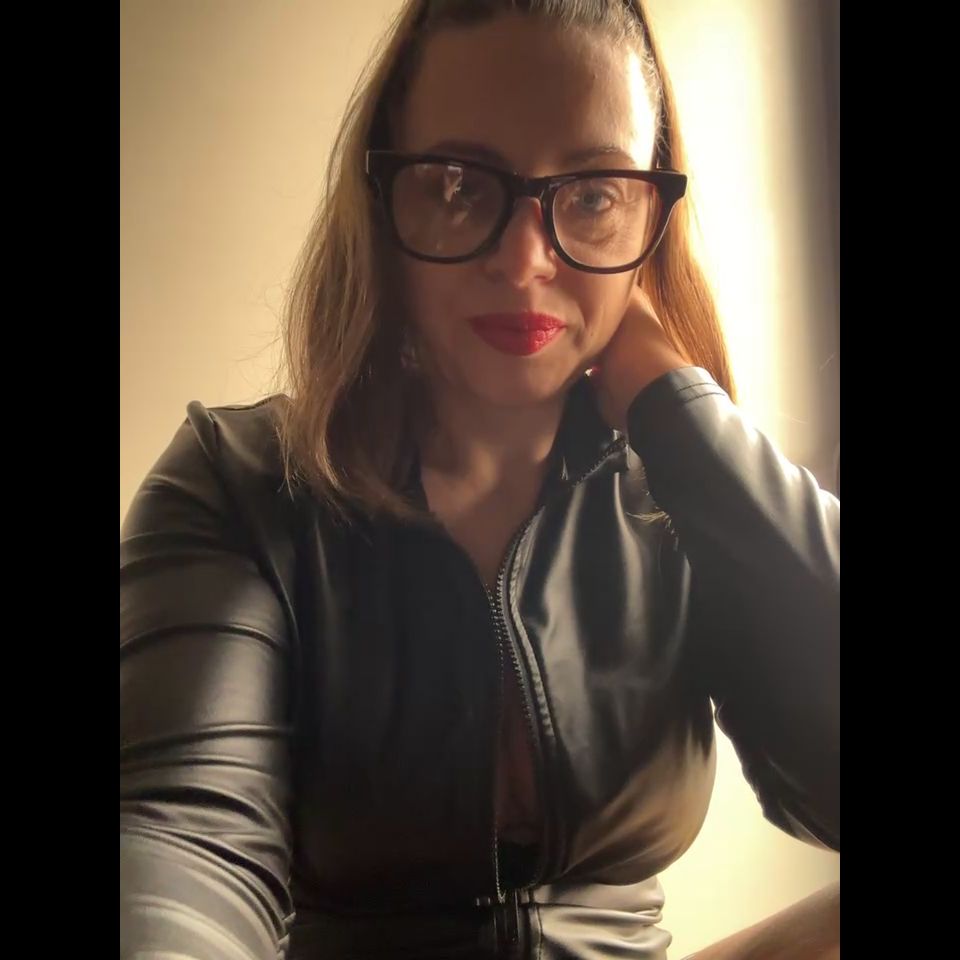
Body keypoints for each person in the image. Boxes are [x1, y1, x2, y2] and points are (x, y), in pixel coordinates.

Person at [119, 1, 840, 957]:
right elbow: (178, 844)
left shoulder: (680, 489)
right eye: (460, 185)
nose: (525, 260)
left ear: (652, 214)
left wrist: (682, 413)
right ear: (383, 202)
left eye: (593, 194)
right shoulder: (240, 485)